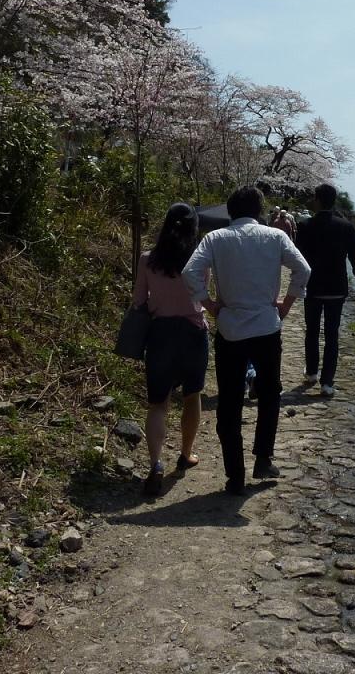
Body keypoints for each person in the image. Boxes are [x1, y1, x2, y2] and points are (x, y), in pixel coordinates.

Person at [183, 186, 311, 496]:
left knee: (229, 402)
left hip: (230, 329)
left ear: (230, 211)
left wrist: (209, 304)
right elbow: (303, 269)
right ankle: (263, 459)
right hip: (267, 327)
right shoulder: (275, 236)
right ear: (259, 210)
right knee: (270, 395)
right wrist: (287, 305)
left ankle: (235, 476)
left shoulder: (215, 238)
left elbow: (190, 271)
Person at [132, 203, 210, 497]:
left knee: (158, 404)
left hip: (160, 334)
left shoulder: (148, 259)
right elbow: (203, 295)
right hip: (193, 333)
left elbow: (138, 301)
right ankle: (186, 454)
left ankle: (155, 464)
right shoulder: (201, 259)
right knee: (192, 396)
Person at [295, 183, 355, 398]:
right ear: (334, 201)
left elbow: (298, 256)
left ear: (317, 199)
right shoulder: (345, 226)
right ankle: (327, 382)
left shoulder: (305, 225)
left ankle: (312, 372)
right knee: (332, 335)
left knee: (312, 331)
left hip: (313, 287)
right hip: (336, 287)